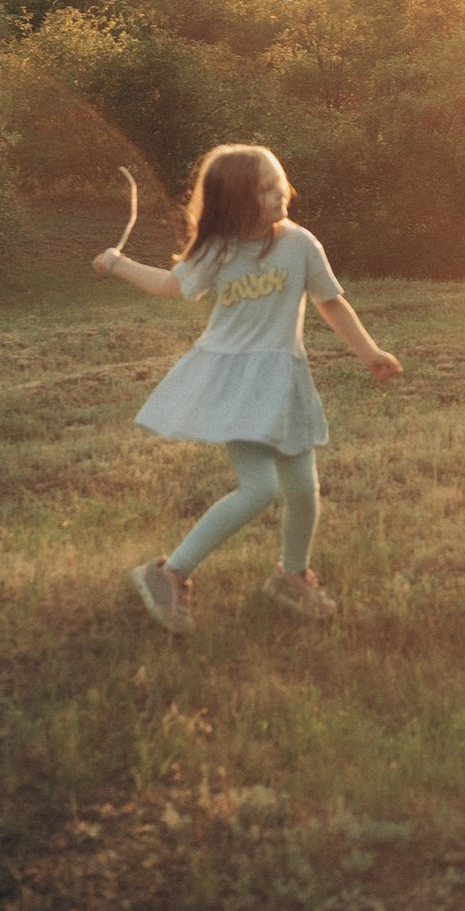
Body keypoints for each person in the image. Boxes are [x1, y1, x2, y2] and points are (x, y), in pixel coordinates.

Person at [93, 142, 401, 636]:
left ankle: (291, 575)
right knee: (260, 488)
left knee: (303, 490)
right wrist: (118, 264)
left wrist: (370, 353)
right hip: (234, 380)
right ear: (235, 201)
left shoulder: (301, 244)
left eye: (278, 181)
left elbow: (332, 303)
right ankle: (167, 573)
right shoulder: (220, 249)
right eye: (264, 188)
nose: (279, 192)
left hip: (285, 379)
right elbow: (173, 285)